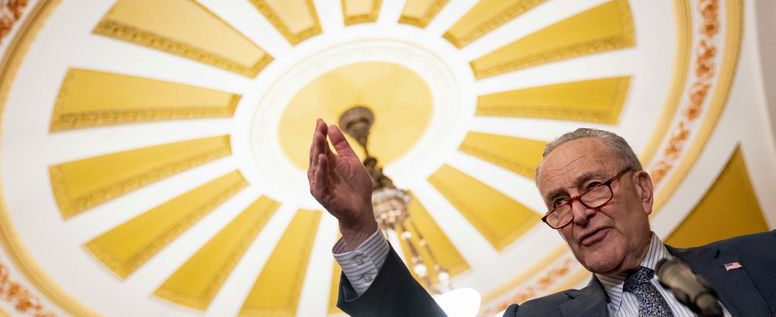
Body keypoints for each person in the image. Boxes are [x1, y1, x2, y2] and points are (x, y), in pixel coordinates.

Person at [308, 119, 776, 316]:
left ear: (643, 189)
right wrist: (359, 228)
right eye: (558, 202)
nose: (577, 214)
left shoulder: (761, 257)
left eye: (593, 187)